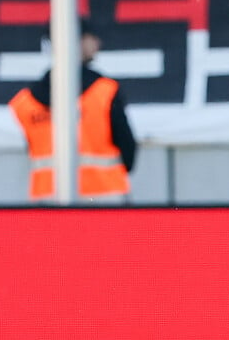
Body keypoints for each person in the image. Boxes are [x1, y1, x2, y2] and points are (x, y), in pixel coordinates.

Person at [9, 18, 137, 203]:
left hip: (47, 201)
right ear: (77, 40)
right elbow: (128, 153)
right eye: (92, 37)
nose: (97, 44)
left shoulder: (24, 101)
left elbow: (33, 151)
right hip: (105, 199)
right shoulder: (106, 92)